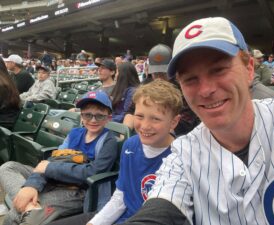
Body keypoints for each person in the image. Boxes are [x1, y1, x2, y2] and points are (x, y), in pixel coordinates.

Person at [118, 17, 274, 225]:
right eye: (190, 79)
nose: (206, 90)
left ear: (249, 69)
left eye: (219, 70)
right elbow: (158, 212)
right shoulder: (183, 153)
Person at [47, 79, 182, 225]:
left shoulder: (180, 156)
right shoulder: (130, 145)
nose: (145, 126)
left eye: (155, 119)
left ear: (173, 122)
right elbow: (121, 197)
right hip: (119, 215)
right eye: (139, 116)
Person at [0, 91, 118, 225]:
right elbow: (52, 161)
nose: (93, 120)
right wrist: (32, 185)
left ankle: (29, 207)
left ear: (109, 117)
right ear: (81, 116)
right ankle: (30, 206)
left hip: (76, 191)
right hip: (53, 180)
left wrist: (50, 168)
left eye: (100, 116)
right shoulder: (75, 133)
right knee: (8, 167)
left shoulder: (108, 141)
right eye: (88, 115)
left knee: (15, 215)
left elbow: (93, 172)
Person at [0, 59, 21, 130]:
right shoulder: (6, 79)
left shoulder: (2, 84)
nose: (7, 63)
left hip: (5, 125)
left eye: (8, 62)